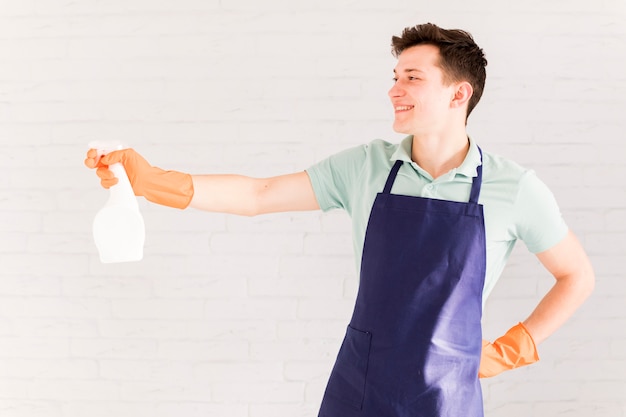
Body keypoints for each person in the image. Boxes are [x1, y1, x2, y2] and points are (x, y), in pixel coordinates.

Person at [84, 23, 595, 417]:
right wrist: (151, 181)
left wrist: (510, 350)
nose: (395, 90)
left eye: (412, 78)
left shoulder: (514, 188)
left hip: (447, 396)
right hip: (359, 385)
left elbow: (577, 275)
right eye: (395, 78)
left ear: (458, 94)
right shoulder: (367, 167)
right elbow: (259, 194)